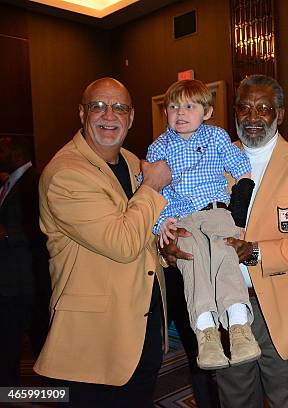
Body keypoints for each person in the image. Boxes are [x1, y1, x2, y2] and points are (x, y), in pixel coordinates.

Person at [162, 74, 288, 408]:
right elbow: (175, 213)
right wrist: (167, 247)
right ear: (234, 112)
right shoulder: (211, 158)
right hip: (225, 312)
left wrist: (257, 251)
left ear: (280, 115)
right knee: (236, 401)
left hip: (285, 316)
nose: (253, 117)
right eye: (244, 108)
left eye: (264, 109)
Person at [35, 77, 172, 406]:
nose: (109, 115)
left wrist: (166, 248)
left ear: (131, 117)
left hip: (142, 325)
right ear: (82, 113)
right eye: (98, 106)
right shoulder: (65, 174)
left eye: (119, 108)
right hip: (93, 344)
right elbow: (123, 244)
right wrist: (151, 188)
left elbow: (142, 233)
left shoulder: (129, 160)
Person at [147, 79, 259, 370]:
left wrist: (239, 210)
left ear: (207, 111)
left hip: (216, 211)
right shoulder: (158, 147)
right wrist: (161, 225)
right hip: (181, 219)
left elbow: (242, 170)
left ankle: (238, 328)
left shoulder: (218, 137)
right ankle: (206, 332)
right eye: (173, 107)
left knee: (225, 254)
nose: (180, 113)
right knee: (193, 262)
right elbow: (149, 190)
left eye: (189, 106)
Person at [0, 136, 49, 386]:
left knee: (31, 337)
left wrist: (7, 233)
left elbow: (41, 227)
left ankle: (51, 393)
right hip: (9, 277)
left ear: (17, 153)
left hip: (25, 278)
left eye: (2, 149)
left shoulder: (34, 182)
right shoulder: (9, 182)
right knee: (9, 340)